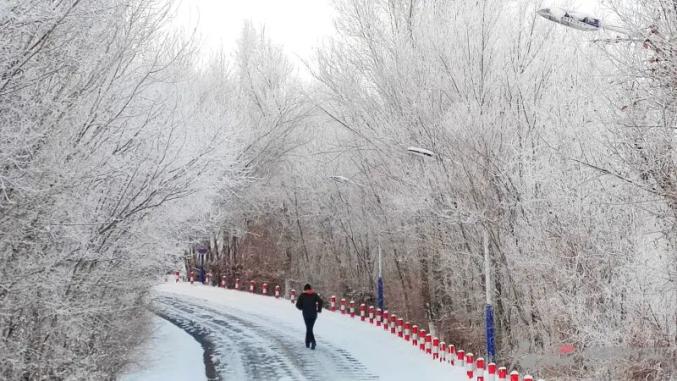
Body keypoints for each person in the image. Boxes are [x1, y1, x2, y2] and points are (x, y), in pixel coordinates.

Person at [295, 283, 323, 349]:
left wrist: (302, 308)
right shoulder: (314, 294)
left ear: (304, 289)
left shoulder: (302, 295)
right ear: (310, 289)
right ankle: (307, 342)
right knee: (309, 328)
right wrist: (318, 309)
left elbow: (297, 305)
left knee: (309, 328)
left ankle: (313, 341)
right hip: (314, 314)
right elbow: (321, 301)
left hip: (306, 314)